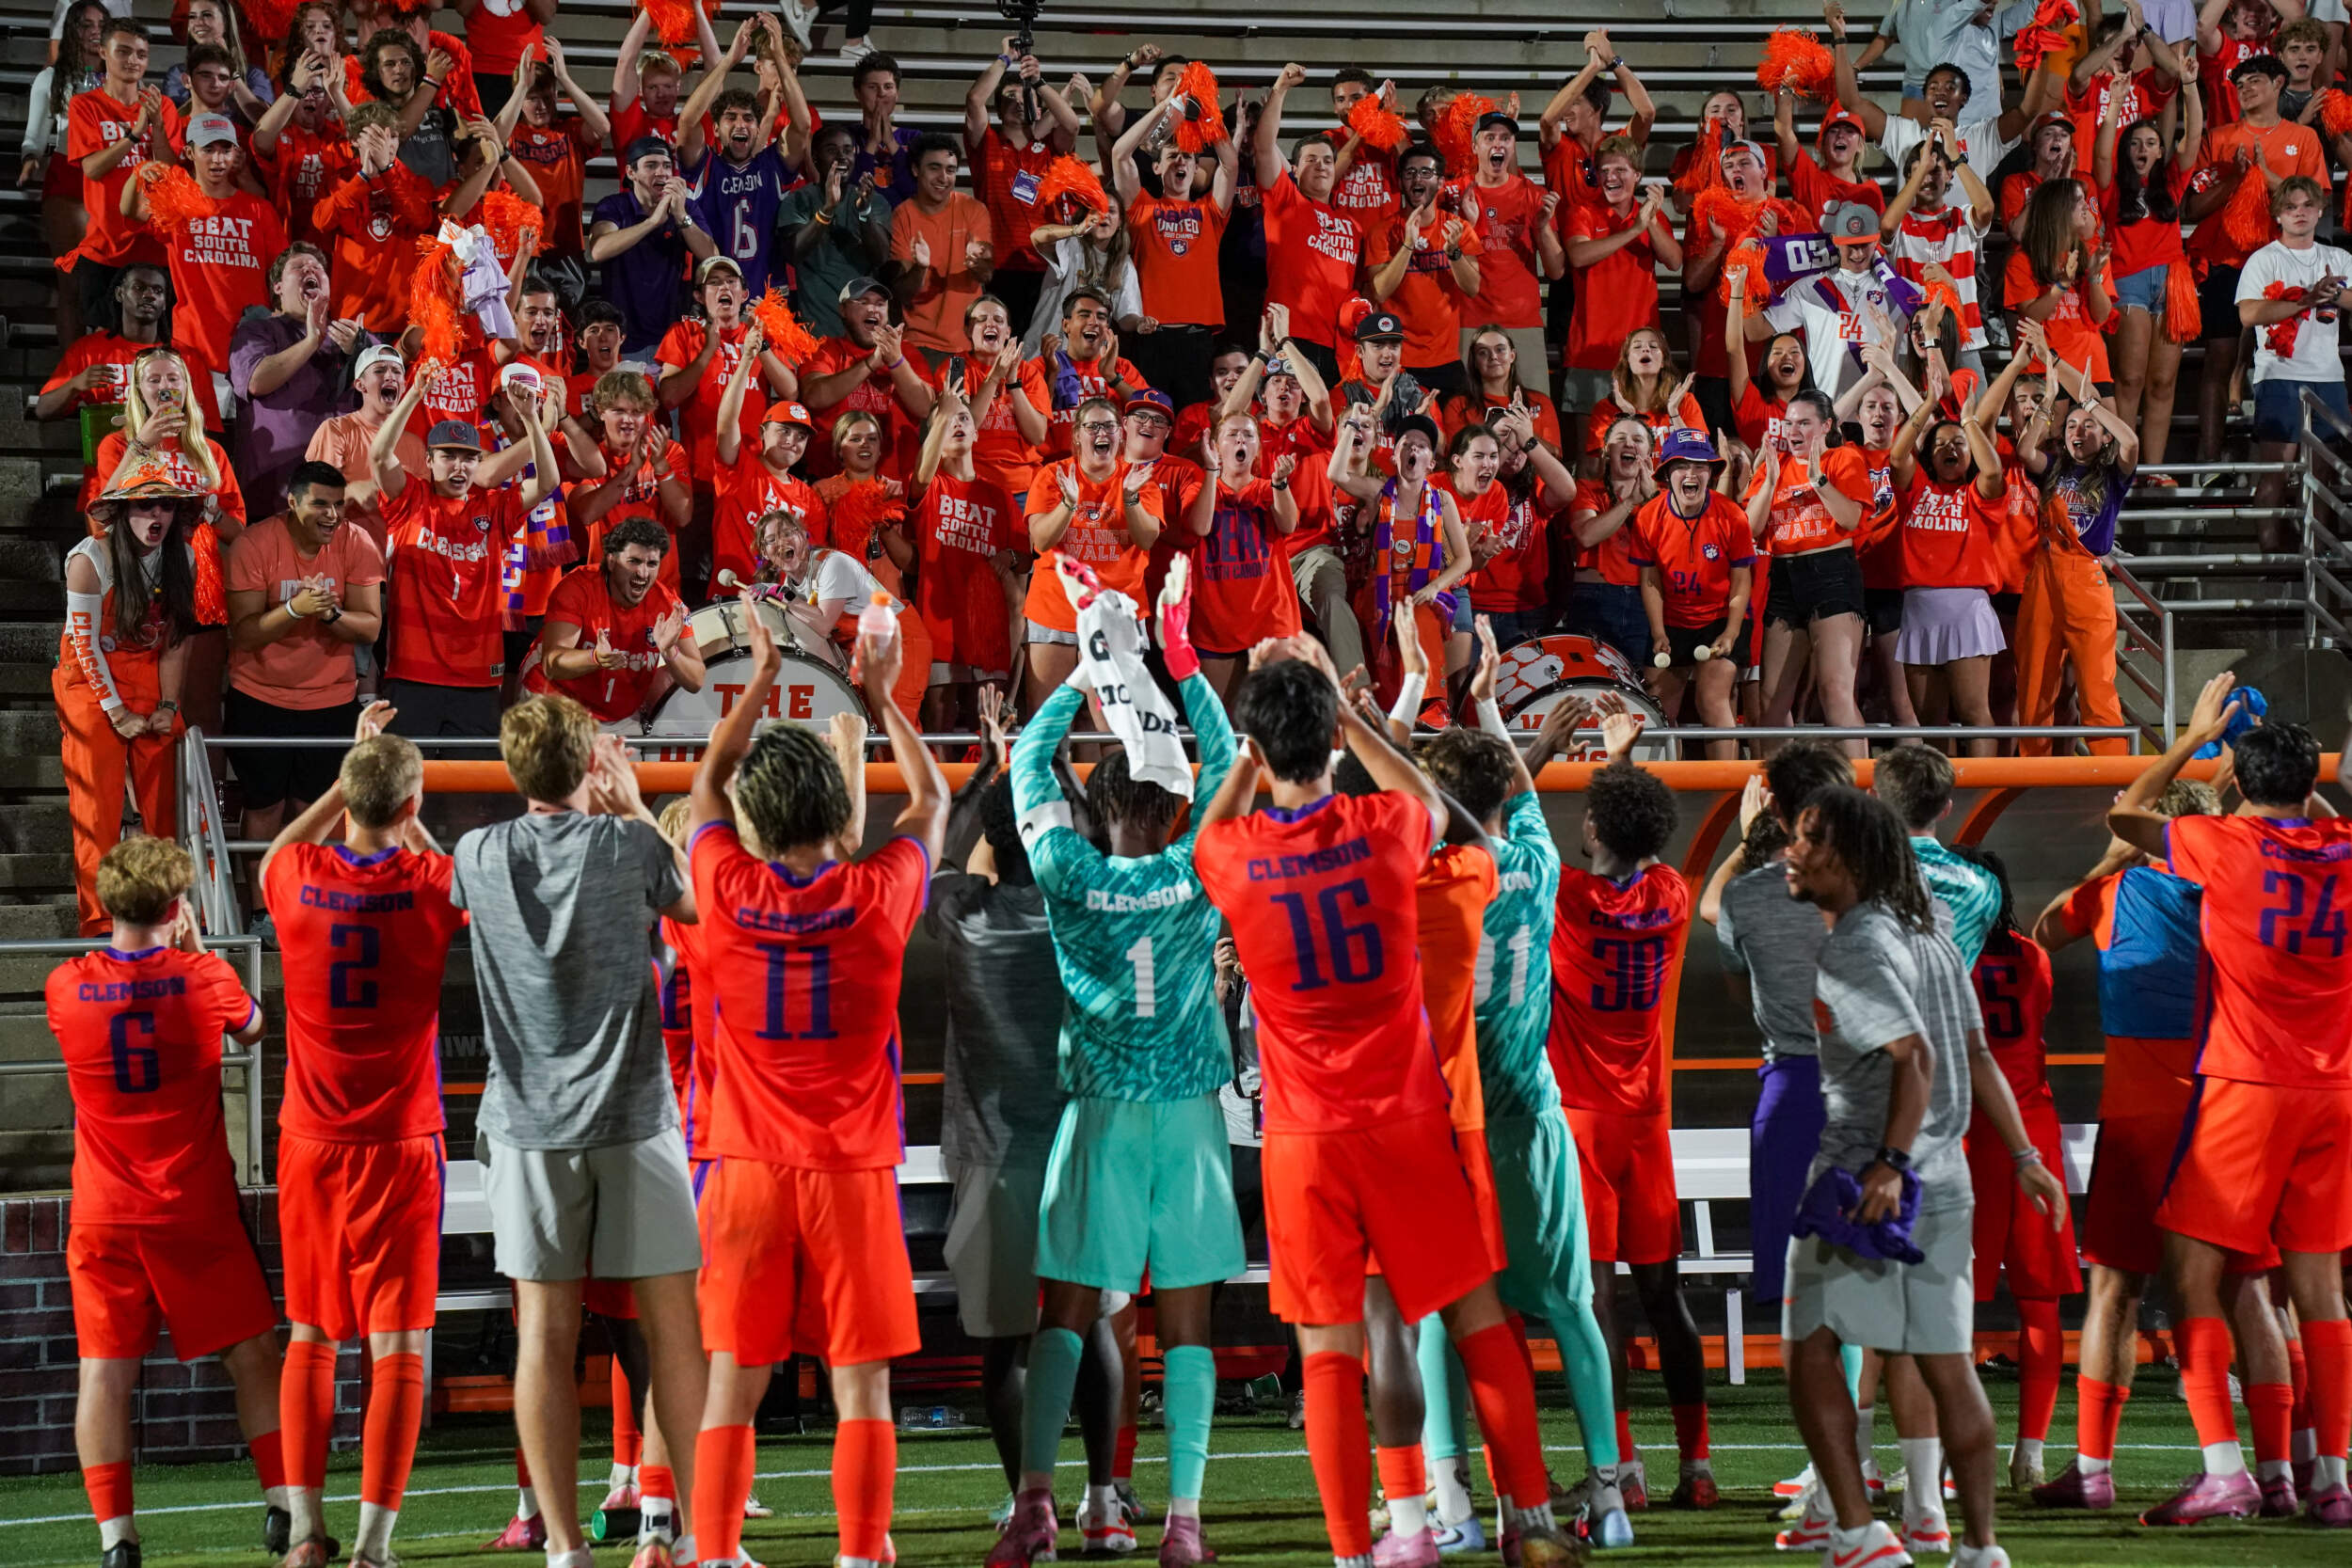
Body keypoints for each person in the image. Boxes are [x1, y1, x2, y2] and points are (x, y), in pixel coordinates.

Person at [1193, 642, 1580, 1568]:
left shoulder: (1230, 852)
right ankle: (1528, 1521)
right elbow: (1424, 797)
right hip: (1409, 1119)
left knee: (1329, 1349)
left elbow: (1217, 822)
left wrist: (1255, 747)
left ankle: (1352, 1550)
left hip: (1304, 1137)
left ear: (1252, 742)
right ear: (1331, 741)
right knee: (1479, 1314)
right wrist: (1350, 714)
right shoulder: (1383, 827)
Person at [684, 587, 949, 1568]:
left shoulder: (724, 886)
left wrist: (755, 676)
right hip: (848, 1166)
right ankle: (858, 1552)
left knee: (731, 1378)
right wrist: (884, 701)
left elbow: (707, 789)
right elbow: (932, 803)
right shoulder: (877, 899)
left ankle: (712, 1551)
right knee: (861, 1381)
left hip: (744, 1165)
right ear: (840, 809)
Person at [992, 562, 1241, 1568]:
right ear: (1176, 809)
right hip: (1184, 1114)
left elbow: (1023, 765)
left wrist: (1084, 678)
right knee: (1182, 1321)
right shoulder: (1203, 868)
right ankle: (1181, 1518)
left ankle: (1036, 1507)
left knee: (1062, 1313)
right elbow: (1228, 761)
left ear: (1098, 807)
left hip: (1094, 1112)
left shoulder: (1067, 870)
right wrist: (1178, 667)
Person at [1775, 784, 2068, 1568]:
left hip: (1869, 1177)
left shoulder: (1857, 944)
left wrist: (1889, 1164)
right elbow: (1974, 1055)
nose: (1791, 852)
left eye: (1807, 838)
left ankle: (1854, 1529)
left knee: (1807, 1342)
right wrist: (2026, 1155)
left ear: (1850, 856)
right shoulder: (1936, 934)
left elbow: (1920, 1059)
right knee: (1944, 1360)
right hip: (1949, 1174)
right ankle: (1968, 1541)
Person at [453, 696, 708, 1568]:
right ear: (587, 766)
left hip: (526, 1123)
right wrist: (634, 800)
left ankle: (564, 1546)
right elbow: (702, 907)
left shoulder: (475, 853)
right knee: (676, 1330)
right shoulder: (630, 844)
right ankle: (698, 1531)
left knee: (545, 1336)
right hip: (633, 1113)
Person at [2108, 673, 2352, 1528]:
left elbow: (2125, 813)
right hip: (2336, 1090)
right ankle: (2332, 1478)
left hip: (2249, 1085)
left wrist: (2190, 738)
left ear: (2240, 785)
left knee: (2191, 1273)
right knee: (2320, 1287)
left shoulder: (2221, 843)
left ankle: (2225, 1469)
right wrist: (2285, 783)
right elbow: (2315, 816)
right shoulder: (2345, 844)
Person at [1422, 652, 1631, 1535]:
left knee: (1441, 1310)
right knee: (1572, 1305)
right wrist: (1487, 708)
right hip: (1535, 1109)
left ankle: (1452, 1500)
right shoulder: (1541, 864)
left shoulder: (1427, 881)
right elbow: (1523, 796)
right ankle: (1612, 1495)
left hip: (1456, 1120)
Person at [260, 705, 465, 1568]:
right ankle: (374, 1548)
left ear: (347, 794)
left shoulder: (294, 874)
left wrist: (349, 776)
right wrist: (394, 802)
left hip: (310, 1137)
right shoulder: (432, 882)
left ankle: (307, 1532)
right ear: (413, 799)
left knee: (310, 1334)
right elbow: (434, 865)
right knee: (399, 1346)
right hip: (403, 1137)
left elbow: (274, 855)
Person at [49, 835, 287, 1568]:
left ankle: (116, 1538)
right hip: (193, 1205)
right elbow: (252, 1026)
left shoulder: (65, 984)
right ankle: (283, 1505)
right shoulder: (203, 975)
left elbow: (111, 992)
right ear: (178, 906)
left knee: (104, 1371)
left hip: (103, 1208)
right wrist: (199, 950)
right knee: (252, 1354)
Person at [2028, 776, 2227, 1510]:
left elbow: (2047, 927)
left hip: (2141, 1120)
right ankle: (2292, 1467)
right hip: (2227, 1112)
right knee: (2257, 1293)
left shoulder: (2120, 895)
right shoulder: (2236, 896)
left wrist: (2111, 855)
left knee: (2116, 1289)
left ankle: (2093, 1469)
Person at [1542, 704, 1712, 1510]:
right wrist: (1622, 761)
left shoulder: (1568, 899)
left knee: (1596, 1297)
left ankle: (1622, 1467)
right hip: (1647, 1123)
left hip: (1581, 1120)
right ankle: (1698, 1464)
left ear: (1600, 829)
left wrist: (1570, 756)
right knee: (1665, 1296)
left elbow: (1505, 813)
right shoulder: (1674, 894)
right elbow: (1643, 849)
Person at [1948, 845, 2082, 1488]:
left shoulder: (1951, 957)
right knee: (2040, 1303)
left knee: (1955, 1304)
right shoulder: (2035, 957)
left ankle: (1948, 1452)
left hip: (1971, 1136)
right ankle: (2029, 1452)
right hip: (2031, 1128)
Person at [369, 359, 558, 736]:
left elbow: (547, 481)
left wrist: (533, 420)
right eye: (448, 456)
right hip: (412, 674)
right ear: (429, 461)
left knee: (471, 790)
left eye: (469, 457)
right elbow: (378, 456)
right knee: (408, 785)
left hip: (478, 679)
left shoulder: (493, 507)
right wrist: (414, 396)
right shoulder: (409, 499)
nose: (460, 467)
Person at [57, 455, 206, 934]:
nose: (156, 517)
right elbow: (83, 644)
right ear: (122, 513)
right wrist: (115, 710)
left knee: (169, 800)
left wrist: (168, 705)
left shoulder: (183, 556)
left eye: (164, 506)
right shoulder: (89, 558)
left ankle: (172, 912)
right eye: (144, 507)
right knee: (97, 807)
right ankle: (101, 920)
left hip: (148, 671)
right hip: (88, 680)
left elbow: (176, 639)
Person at [224, 462, 383, 842]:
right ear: (292, 503)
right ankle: (262, 904)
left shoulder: (356, 540)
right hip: (259, 698)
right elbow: (244, 634)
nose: (332, 515)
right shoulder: (254, 543)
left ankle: (312, 899)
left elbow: (370, 626)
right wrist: (295, 610)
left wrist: (329, 614)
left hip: (331, 701)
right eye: (320, 504)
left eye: (340, 505)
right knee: (264, 807)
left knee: (317, 810)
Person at [2013, 348, 2136, 756]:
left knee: (2096, 683)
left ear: (2102, 435)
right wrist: (2049, 401)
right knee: (2035, 681)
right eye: (2071, 426)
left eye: (2088, 427)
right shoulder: (2054, 468)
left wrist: (2090, 405)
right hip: (2044, 577)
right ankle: (2032, 772)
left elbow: (2131, 440)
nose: (2077, 432)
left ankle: (2112, 771)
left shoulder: (2113, 475)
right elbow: (2024, 452)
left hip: (2087, 579)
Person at [1746, 390, 1875, 755]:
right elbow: (1750, 530)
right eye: (1789, 422)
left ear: (1826, 426)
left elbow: (1850, 519)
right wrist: (1769, 482)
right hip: (1784, 577)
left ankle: (1858, 797)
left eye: (1804, 422)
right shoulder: (1774, 464)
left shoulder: (1843, 457)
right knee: (1770, 700)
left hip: (1831, 573)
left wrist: (1818, 480)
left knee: (1835, 692)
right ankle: (1777, 796)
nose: (1794, 430)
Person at [1883, 384, 2009, 752]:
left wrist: (1968, 420)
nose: (1949, 450)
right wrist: (1927, 405)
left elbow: (1994, 470)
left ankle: (1982, 792)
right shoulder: (1916, 488)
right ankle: (1940, 794)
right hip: (1919, 610)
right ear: (1929, 456)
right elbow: (1896, 456)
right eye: (1940, 445)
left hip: (1967, 609)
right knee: (1929, 720)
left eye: (1958, 445)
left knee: (1973, 712)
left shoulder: (1979, 495)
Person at [2091, 68, 2202, 475]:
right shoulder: (2112, 185)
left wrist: (2189, 86)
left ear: (2160, 151)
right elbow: (2102, 153)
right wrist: (2117, 103)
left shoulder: (2172, 181)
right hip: (2128, 282)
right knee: (2131, 380)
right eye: (2135, 142)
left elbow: (2193, 136)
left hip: (2174, 284)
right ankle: (2123, 467)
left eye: (2151, 143)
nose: (2143, 148)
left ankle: (2154, 472)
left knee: (2163, 384)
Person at [1022, 394, 1165, 706]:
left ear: (1121, 433)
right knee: (1049, 727)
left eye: (1110, 426)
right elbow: (1041, 542)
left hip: (1116, 614)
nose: (1102, 433)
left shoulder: (1139, 480)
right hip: (1055, 610)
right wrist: (1068, 503)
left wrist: (1130, 498)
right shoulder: (1052, 476)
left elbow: (1147, 539)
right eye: (1093, 426)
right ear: (1076, 435)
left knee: (1113, 728)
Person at [2237, 176, 2350, 545]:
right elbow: (2249, 314)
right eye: (2290, 207)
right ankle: (2270, 561)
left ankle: (2319, 553)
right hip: (2279, 374)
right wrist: (2306, 299)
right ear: (2278, 215)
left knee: (2324, 474)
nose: (2299, 213)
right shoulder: (2264, 259)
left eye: (2306, 206)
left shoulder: (2338, 258)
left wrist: (2332, 294)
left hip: (2328, 375)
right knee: (2275, 470)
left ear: (2320, 211)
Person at [1629, 429, 1751, 761]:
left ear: (1711, 473)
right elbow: (1650, 580)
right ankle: (1665, 791)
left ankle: (1726, 791)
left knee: (1712, 700)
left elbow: (1741, 582)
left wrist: (1731, 632)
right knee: (1659, 709)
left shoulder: (1732, 516)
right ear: (1667, 473)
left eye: (1701, 465)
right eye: (1682, 465)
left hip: (1719, 620)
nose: (1692, 473)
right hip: (1670, 623)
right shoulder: (1648, 517)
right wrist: (1658, 633)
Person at [1112, 91, 1239, 409]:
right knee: (1149, 418)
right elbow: (1119, 154)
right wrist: (1166, 107)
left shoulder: (1211, 211)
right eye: (1172, 155)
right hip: (1150, 336)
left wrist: (1209, 114)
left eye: (1188, 157)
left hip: (1198, 340)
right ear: (1156, 168)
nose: (1181, 160)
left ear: (1196, 169)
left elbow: (1230, 163)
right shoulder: (1141, 206)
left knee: (1194, 427)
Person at [523, 516, 706, 730]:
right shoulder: (578, 588)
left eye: (652, 563)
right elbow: (552, 664)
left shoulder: (668, 606)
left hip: (620, 717)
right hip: (555, 701)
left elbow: (696, 680)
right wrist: (595, 658)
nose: (643, 573)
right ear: (611, 560)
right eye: (634, 561)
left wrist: (670, 651)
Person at [229, 244, 373, 511]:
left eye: (318, 268)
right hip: (275, 497)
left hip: (344, 498)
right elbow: (256, 382)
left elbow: (391, 397)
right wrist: (311, 342)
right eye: (298, 267)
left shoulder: (351, 335)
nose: (310, 269)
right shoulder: (257, 331)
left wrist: (360, 351)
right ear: (278, 287)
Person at [66, 20, 182, 333]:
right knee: (103, 344)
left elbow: (171, 173)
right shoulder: (85, 105)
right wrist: (134, 134)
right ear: (104, 52)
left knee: (155, 346)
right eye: (124, 51)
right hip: (104, 248)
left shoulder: (164, 107)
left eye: (141, 54)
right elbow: (92, 168)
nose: (133, 60)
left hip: (156, 249)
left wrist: (156, 125)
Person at [961, 38, 1082, 332]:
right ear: (999, 110)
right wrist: (1006, 58)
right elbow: (975, 99)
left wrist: (1038, 83)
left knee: (1041, 352)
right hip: (999, 267)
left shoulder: (1049, 147)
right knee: (1001, 349)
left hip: (1046, 268)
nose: (1017, 103)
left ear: (1037, 108)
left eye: (1022, 98)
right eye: (1008, 98)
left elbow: (1072, 124)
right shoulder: (986, 143)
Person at [1252, 63, 1362, 383]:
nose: (1322, 166)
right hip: (1287, 338)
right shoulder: (1286, 200)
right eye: (1311, 160)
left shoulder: (1353, 226)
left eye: (1328, 160)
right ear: (1295, 171)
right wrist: (1281, 88)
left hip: (1336, 345)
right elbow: (1262, 147)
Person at [1564, 138, 1675, 417]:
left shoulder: (1651, 216)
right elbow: (1578, 255)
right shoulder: (1583, 211)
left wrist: (1648, 222)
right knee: (1589, 457)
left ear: (1637, 175)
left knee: (1643, 445)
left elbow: (1675, 261)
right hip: (1590, 351)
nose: (1610, 177)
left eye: (1620, 170)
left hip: (1641, 356)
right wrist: (1634, 230)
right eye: (1604, 170)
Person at [588, 135, 717, 356]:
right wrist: (652, 222)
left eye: (667, 166)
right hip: (623, 340)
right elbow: (599, 250)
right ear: (631, 173)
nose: (662, 172)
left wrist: (681, 216)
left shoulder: (685, 209)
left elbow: (711, 255)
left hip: (670, 339)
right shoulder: (613, 206)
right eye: (651, 165)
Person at [779, 125, 895, 341]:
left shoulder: (874, 201)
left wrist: (864, 212)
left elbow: (880, 256)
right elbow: (793, 253)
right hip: (816, 335)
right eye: (832, 150)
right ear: (815, 158)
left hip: (863, 338)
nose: (842, 157)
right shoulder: (798, 200)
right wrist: (827, 210)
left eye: (848, 150)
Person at [890, 131, 995, 358]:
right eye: (934, 168)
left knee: (956, 394)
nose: (943, 177)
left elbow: (986, 276)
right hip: (919, 344)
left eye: (950, 170)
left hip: (965, 347)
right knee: (922, 395)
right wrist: (921, 267)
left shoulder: (973, 209)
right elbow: (902, 293)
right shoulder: (903, 214)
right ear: (916, 170)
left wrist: (976, 262)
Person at [304, 345, 426, 540]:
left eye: (396, 371)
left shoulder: (414, 443)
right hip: (350, 549)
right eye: (379, 370)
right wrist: (351, 491)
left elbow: (426, 505)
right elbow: (313, 496)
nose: (390, 376)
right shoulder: (336, 430)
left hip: (403, 553)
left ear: (403, 386)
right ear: (360, 385)